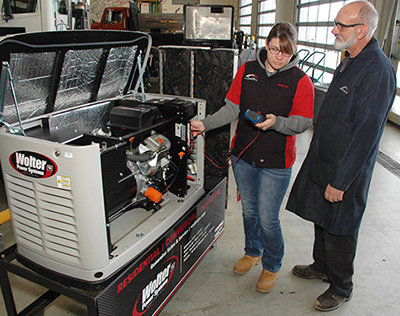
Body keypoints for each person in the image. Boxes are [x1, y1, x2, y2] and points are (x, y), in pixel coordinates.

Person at [286, 0, 396, 312]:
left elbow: (366, 134)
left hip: (346, 169)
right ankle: (321, 266)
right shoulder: (350, 58)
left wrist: (342, 180)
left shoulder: (378, 71)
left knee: (341, 228)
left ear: (361, 30)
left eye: (340, 25)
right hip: (326, 158)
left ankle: (341, 286)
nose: (334, 30)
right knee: (322, 218)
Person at [191, 22, 314, 293]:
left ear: (293, 51)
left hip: (276, 162)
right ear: (266, 45)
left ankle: (272, 265)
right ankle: (252, 251)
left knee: (268, 217)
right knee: (249, 211)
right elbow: (231, 108)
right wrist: (205, 124)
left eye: (285, 52)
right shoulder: (247, 71)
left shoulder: (300, 81)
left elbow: (303, 121)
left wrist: (277, 123)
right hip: (243, 155)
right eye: (273, 49)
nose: (278, 56)